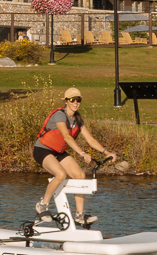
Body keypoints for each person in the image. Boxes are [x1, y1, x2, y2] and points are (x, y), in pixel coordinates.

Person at [35, 88, 115, 225]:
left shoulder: (78, 119)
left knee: (80, 175)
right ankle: (42, 204)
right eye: (72, 100)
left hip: (58, 152)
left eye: (78, 100)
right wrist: (82, 153)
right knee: (61, 174)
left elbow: (90, 140)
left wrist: (106, 152)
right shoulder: (60, 115)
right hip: (43, 150)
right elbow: (66, 137)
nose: (75, 102)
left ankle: (79, 216)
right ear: (66, 101)